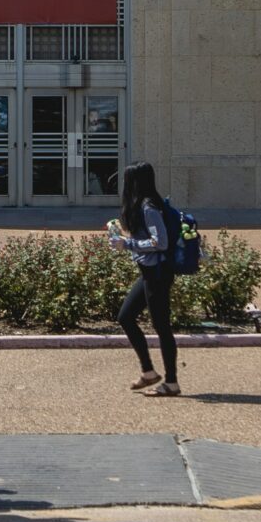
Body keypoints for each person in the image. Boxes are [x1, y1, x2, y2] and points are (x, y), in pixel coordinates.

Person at [109, 161, 180, 396]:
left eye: (126, 180)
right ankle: (149, 372)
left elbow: (161, 242)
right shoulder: (143, 205)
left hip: (158, 274)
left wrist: (127, 243)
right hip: (149, 273)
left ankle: (171, 382)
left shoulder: (149, 207)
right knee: (126, 317)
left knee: (162, 327)